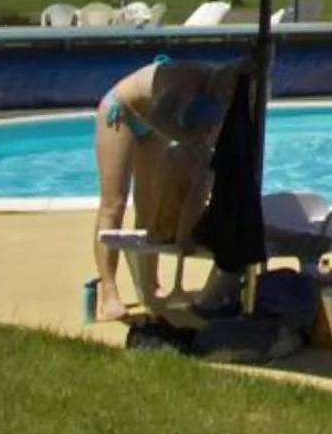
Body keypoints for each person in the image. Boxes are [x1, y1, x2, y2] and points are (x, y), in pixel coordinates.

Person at [89, 56, 244, 307]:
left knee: (150, 206)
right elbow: (159, 118)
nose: (227, 97)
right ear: (222, 76)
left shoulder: (225, 96)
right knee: (113, 203)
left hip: (154, 124)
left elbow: (211, 140)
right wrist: (191, 141)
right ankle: (109, 290)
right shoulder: (187, 78)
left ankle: (150, 284)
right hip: (123, 111)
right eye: (227, 91)